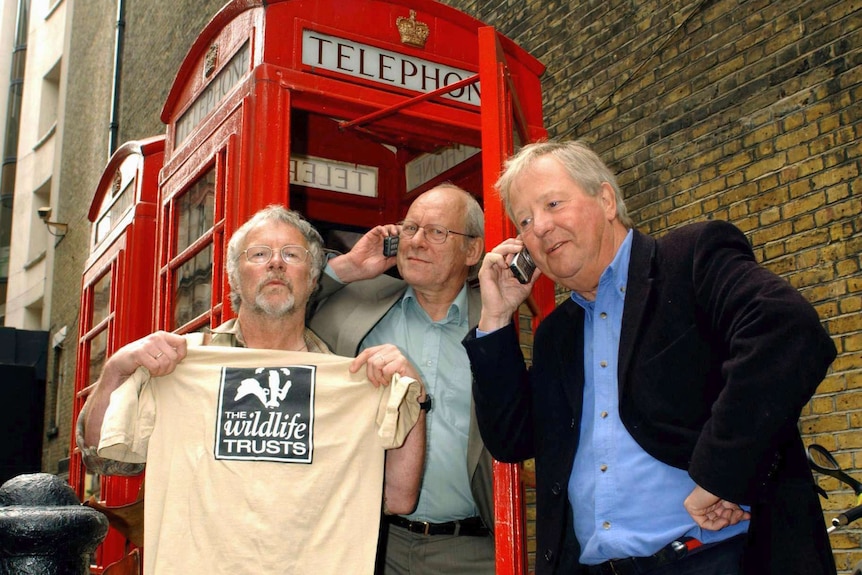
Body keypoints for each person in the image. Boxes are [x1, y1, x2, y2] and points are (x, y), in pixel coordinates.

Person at [463, 140, 837, 575]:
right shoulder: (555, 335)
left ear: (605, 200)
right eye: (525, 220)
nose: (540, 227)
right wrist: (495, 316)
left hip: (713, 555)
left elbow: (788, 330)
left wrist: (720, 472)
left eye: (553, 204)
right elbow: (511, 440)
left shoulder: (690, 259)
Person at [77, 205, 427, 575]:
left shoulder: (347, 383)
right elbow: (102, 458)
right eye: (259, 254)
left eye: (292, 255)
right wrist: (117, 368)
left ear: (312, 279)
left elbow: (399, 498)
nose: (276, 264)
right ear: (234, 277)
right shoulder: (180, 365)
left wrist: (412, 395)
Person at [309, 183, 496, 574]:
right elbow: (275, 308)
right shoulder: (355, 305)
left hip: (471, 551)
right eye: (410, 229)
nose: (417, 242)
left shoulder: (499, 321)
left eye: (437, 232)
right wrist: (348, 268)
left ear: (472, 250)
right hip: (370, 542)